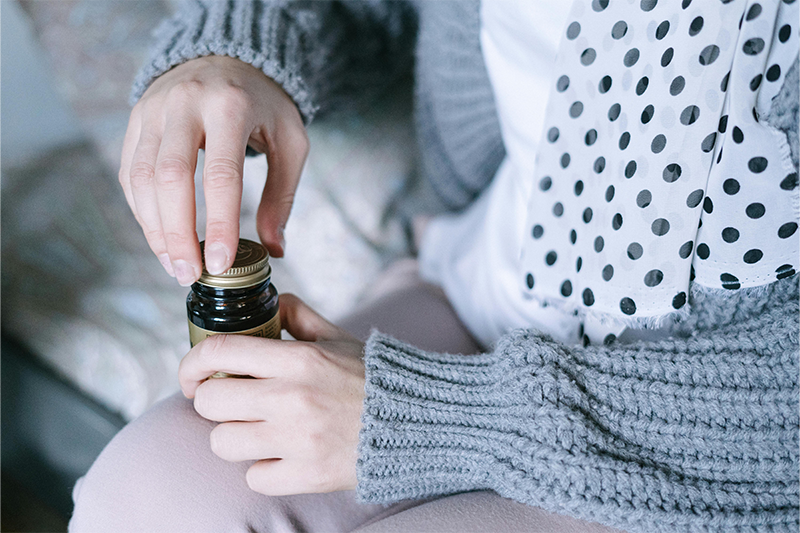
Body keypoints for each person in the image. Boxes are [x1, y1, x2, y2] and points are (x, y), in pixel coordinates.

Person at [70, 1, 799, 532]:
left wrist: (442, 417)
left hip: (707, 438)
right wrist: (233, 51)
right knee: (142, 497)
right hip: (487, 291)